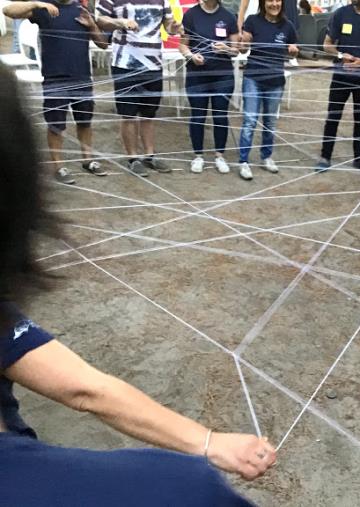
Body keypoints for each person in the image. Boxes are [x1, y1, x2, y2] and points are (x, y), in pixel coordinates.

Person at [0, 65, 277, 505]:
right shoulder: (183, 492)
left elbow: (84, 388)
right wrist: (206, 450)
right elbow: (84, 389)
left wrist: (209, 441)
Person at [3, 0, 109, 185]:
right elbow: (8, 10)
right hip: (55, 78)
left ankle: (88, 160)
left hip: (82, 77)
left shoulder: (81, 9)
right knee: (56, 125)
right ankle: (59, 166)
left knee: (85, 121)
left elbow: (102, 44)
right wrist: (36, 4)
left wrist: (92, 26)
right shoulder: (44, 10)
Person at [96, 0, 182, 178]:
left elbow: (168, 24)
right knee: (128, 114)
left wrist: (174, 27)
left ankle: (149, 156)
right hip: (124, 64)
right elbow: (100, 20)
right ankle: (132, 158)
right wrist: (120, 22)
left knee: (149, 114)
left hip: (154, 64)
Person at [314, 0, 360, 174]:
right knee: (333, 115)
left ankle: (359, 159)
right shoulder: (340, 14)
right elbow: (327, 44)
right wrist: (341, 54)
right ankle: (325, 157)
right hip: (341, 75)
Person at [237, 0, 298, 180]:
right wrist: (243, 43)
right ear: (263, 3)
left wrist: (293, 51)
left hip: (276, 82)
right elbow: (242, 50)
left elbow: (292, 51)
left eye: (277, 0)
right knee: (249, 121)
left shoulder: (288, 26)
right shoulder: (252, 21)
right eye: (270, 0)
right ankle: (243, 161)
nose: (274, 4)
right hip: (253, 79)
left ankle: (266, 156)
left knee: (270, 123)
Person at [179, 0, 239, 175]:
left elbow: (237, 50)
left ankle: (220, 156)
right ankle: (198, 156)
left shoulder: (228, 16)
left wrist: (226, 49)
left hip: (223, 76)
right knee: (198, 115)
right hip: (197, 76)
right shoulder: (191, 15)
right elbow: (183, 45)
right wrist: (191, 56)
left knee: (220, 116)